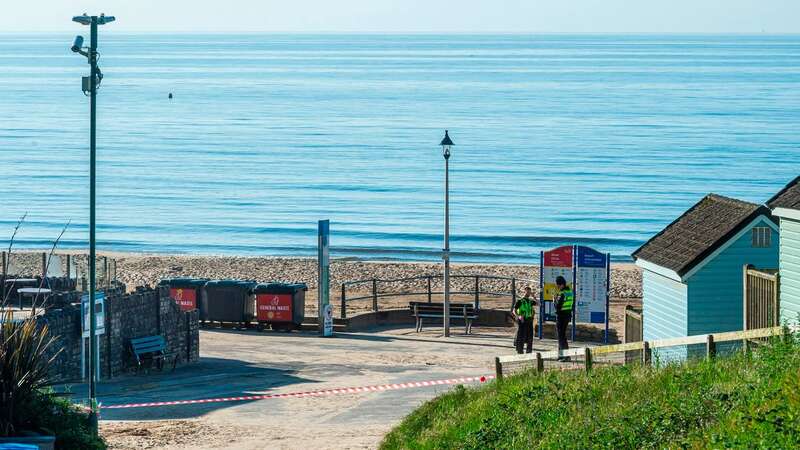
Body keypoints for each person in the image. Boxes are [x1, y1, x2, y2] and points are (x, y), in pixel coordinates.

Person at [554, 276, 574, 361]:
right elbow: (571, 305)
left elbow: (557, 307)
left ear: (562, 284)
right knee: (562, 336)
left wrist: (554, 300)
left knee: (561, 337)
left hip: (561, 317)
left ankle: (566, 356)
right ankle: (561, 355)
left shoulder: (562, 294)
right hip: (567, 316)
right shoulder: (570, 292)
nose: (558, 287)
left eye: (558, 285)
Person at [513, 286, 537, 354]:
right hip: (522, 321)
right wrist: (519, 316)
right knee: (521, 336)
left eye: (529, 291)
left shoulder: (530, 301)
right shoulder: (520, 301)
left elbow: (539, 304)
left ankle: (529, 351)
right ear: (524, 291)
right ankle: (520, 351)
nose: (528, 293)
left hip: (529, 321)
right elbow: (514, 310)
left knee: (530, 337)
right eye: (527, 291)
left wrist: (534, 297)